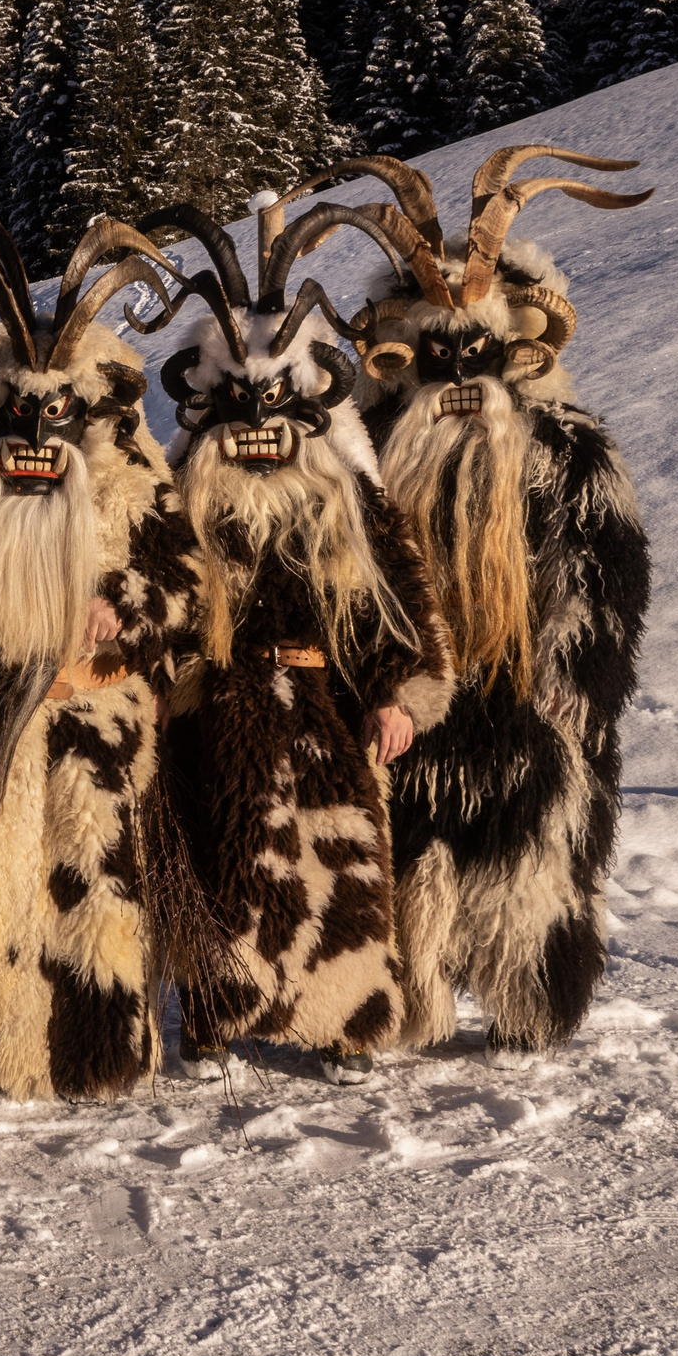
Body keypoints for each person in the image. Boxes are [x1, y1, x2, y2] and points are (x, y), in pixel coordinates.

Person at [326, 149, 653, 1065]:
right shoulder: (373, 454)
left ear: (517, 349)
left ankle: (528, 997)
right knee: (409, 857)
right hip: (414, 705)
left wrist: (575, 675)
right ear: (406, 353)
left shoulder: (564, 450)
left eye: (480, 352)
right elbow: (350, 583)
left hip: (525, 702)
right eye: (439, 353)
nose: (460, 372)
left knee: (526, 860)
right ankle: (399, 1002)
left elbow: (604, 569)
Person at [134, 193, 456, 1085]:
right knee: (220, 855)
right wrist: (155, 675)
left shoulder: (347, 500)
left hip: (322, 705)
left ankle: (344, 1020)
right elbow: (158, 592)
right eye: (239, 405)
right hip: (219, 705)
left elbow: (401, 602)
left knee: (341, 860)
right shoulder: (185, 498)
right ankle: (211, 1016)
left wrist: (401, 691)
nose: (260, 430)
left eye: (277, 404)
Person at [0, 222, 207, 1101]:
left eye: (57, 414)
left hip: (100, 723)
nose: (36, 435)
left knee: (97, 890)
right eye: (19, 412)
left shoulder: (135, 482)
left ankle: (96, 1048)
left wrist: (128, 606)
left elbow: (186, 588)